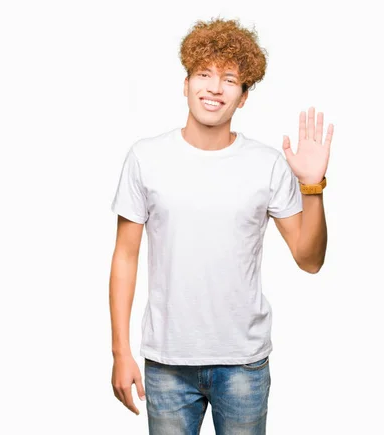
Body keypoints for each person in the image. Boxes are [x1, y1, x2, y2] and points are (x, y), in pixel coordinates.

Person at [109, 17, 334, 435]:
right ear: (186, 82)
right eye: (204, 74)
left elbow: (309, 259)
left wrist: (312, 188)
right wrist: (120, 350)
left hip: (243, 364)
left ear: (244, 96)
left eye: (229, 79)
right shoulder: (146, 158)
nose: (214, 88)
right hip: (167, 363)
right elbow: (125, 256)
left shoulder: (266, 164)